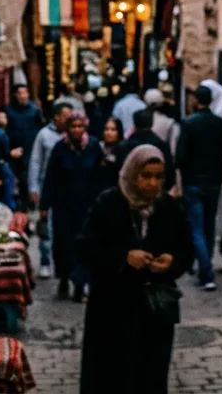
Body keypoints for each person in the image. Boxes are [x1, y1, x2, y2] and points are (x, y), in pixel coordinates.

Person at [76, 146, 193, 394]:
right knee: (111, 377)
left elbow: (186, 249)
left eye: (158, 176)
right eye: (146, 175)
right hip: (112, 311)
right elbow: (85, 247)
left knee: (150, 377)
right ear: (132, 174)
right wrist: (123, 258)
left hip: (154, 312)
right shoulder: (108, 203)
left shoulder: (168, 208)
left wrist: (172, 262)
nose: (152, 183)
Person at [175, 84, 222, 291]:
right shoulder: (221, 124)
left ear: (196, 101)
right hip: (213, 182)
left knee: (197, 228)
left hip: (193, 182)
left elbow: (181, 156)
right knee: (208, 225)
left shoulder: (188, 124)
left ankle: (206, 271)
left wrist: (184, 176)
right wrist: (221, 170)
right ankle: (206, 265)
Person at [40, 111, 106, 301]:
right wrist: (45, 205)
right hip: (64, 207)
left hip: (87, 207)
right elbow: (50, 178)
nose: (76, 130)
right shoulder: (60, 148)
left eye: (80, 126)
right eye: (73, 127)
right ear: (67, 129)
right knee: (64, 245)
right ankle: (64, 279)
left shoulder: (93, 147)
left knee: (83, 246)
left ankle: (80, 285)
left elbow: (100, 178)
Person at [28, 99, 74, 279]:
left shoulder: (74, 137)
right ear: (56, 117)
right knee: (46, 227)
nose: (70, 120)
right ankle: (46, 261)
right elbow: (36, 162)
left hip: (67, 190)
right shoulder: (44, 135)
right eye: (66, 117)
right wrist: (33, 188)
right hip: (46, 186)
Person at [5, 84, 44, 211]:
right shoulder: (9, 111)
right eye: (20, 93)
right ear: (16, 95)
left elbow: (40, 128)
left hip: (31, 148)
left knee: (30, 175)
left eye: (25, 93)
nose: (23, 96)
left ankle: (30, 203)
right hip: (15, 149)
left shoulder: (34, 110)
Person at [116, 109, 175, 190]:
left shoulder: (125, 146)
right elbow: (170, 174)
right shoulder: (161, 145)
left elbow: (117, 174)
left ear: (134, 124)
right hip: (155, 194)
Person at [100, 116, 124, 191]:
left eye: (113, 130)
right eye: (106, 129)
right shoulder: (98, 147)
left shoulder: (123, 149)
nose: (109, 132)